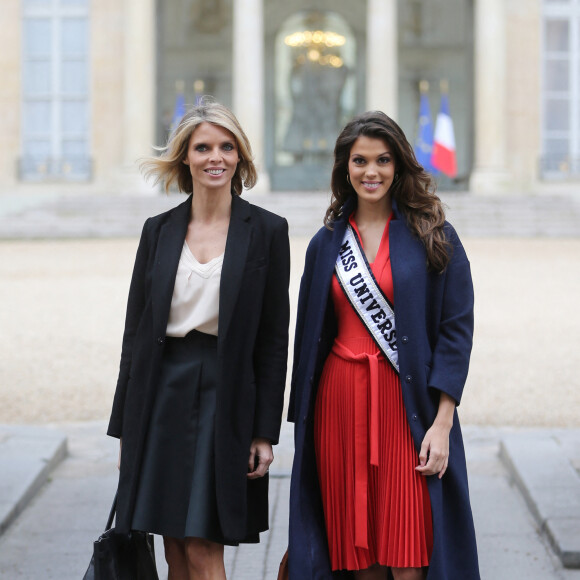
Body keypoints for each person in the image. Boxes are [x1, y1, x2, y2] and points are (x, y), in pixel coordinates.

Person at [287, 111, 479, 580]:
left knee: (409, 552)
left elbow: (457, 330)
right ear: (344, 168)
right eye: (360, 161)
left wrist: (442, 421)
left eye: (383, 160)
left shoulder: (434, 236)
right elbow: (308, 337)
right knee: (358, 557)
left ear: (399, 166)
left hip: (405, 406)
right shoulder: (325, 244)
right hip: (339, 406)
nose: (371, 172)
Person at [107, 100, 290, 579]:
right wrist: (126, 426)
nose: (216, 157)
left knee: (204, 545)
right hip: (161, 394)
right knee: (174, 547)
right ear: (185, 157)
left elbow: (273, 339)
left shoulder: (268, 231)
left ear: (241, 157)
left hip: (225, 394)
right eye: (203, 147)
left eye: (227, 147)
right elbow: (136, 335)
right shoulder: (159, 230)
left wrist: (265, 432)